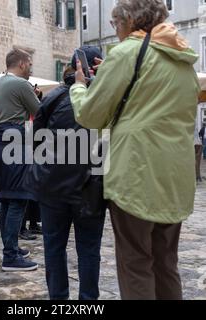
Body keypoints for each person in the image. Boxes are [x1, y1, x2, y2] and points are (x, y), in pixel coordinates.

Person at [70, 0, 200, 300]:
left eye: (115, 23)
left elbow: (91, 115)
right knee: (166, 262)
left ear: (129, 20)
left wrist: (79, 87)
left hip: (137, 173)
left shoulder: (128, 52)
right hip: (175, 177)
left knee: (136, 262)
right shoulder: (183, 57)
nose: (115, 30)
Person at [26, 47, 105, 300]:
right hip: (90, 187)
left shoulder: (52, 98)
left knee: (54, 248)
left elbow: (35, 141)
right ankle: (88, 301)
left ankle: (58, 300)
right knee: (89, 249)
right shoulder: (105, 97)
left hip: (53, 186)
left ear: (72, 67)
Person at [0, 49, 40, 271]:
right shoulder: (22, 85)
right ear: (20, 64)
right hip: (15, 141)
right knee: (18, 199)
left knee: (6, 199)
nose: (31, 67)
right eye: (29, 63)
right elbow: (39, 113)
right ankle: (10, 256)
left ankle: (10, 247)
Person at [194, 115, 203, 182]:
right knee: (197, 161)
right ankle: (198, 175)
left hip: (195, 143)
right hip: (198, 143)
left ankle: (197, 176)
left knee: (195, 161)